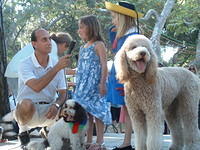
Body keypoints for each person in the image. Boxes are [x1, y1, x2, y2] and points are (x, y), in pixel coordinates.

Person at [14, 28, 70, 147]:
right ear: (34, 44)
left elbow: (63, 93)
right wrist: (57, 68)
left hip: (49, 109)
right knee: (25, 104)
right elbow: (36, 87)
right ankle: (23, 132)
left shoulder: (56, 63)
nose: (49, 42)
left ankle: (50, 130)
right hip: (28, 112)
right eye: (44, 39)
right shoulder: (24, 64)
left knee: (73, 107)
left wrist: (56, 105)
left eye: (49, 39)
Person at [105, 1, 143, 150]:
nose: (113, 20)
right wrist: (113, 30)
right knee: (127, 110)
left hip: (128, 78)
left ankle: (134, 142)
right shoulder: (123, 35)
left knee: (133, 111)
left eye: (115, 17)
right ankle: (127, 142)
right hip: (120, 75)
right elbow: (115, 49)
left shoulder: (134, 36)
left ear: (123, 18)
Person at [73, 15, 112, 150]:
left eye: (82, 27)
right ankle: (88, 140)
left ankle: (100, 141)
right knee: (86, 114)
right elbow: (81, 69)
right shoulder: (83, 47)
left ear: (91, 27)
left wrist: (102, 84)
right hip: (83, 87)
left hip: (95, 85)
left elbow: (104, 65)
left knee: (98, 113)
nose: (79, 30)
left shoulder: (99, 45)